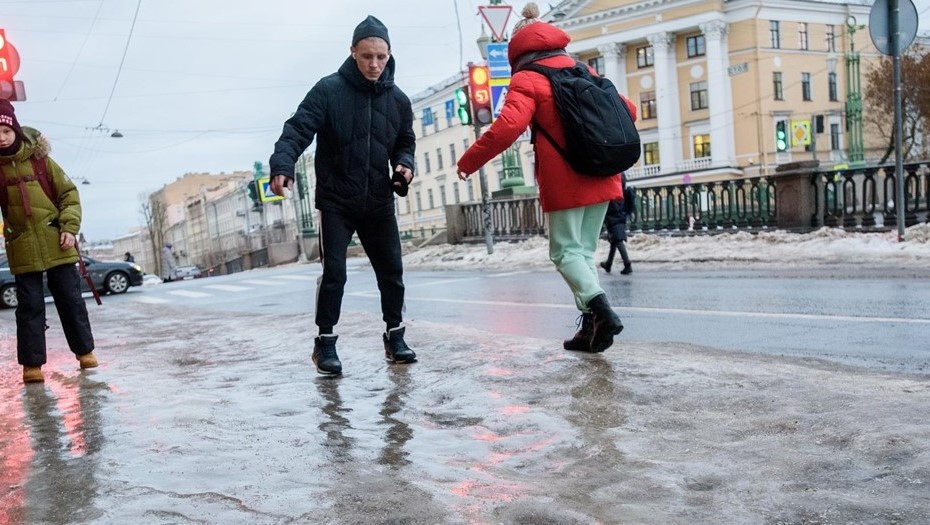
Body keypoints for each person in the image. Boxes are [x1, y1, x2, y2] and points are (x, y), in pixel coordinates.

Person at [456, 3, 636, 354]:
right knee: (582, 252)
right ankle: (592, 328)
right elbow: (626, 108)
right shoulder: (584, 69)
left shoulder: (528, 78)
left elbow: (507, 127)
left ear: (518, 49)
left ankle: (601, 310)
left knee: (564, 253)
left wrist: (469, 161)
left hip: (566, 180)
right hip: (603, 172)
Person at [268, 15, 417, 375]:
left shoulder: (397, 100)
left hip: (379, 200)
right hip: (337, 200)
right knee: (335, 273)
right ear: (352, 53)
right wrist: (282, 165)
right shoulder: (329, 90)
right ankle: (325, 343)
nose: (374, 64)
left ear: (390, 53)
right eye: (366, 56)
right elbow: (297, 129)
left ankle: (395, 337)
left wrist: (404, 163)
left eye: (380, 57)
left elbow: (405, 141)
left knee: (392, 272)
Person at [0, 99, 97, 384]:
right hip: (22, 245)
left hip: (58, 240)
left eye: (5, 131)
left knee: (70, 300)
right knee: (29, 306)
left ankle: (84, 352)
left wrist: (69, 227)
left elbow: (69, 194)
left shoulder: (40, 160)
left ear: (15, 130)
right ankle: (32, 365)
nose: (1, 138)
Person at [600, 185, 635, 275]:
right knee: (614, 240)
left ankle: (627, 265)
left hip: (614, 213)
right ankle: (608, 263)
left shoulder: (613, 186)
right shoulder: (621, 181)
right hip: (621, 213)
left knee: (618, 240)